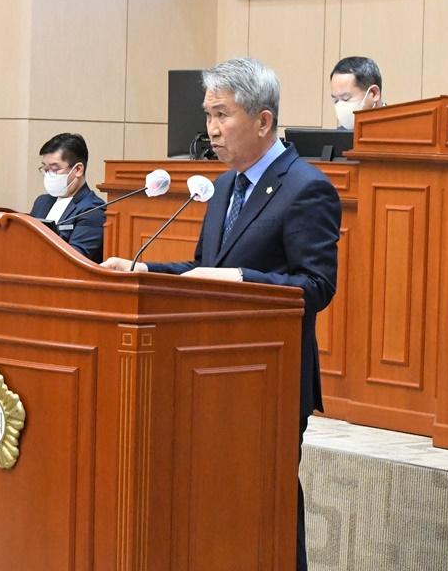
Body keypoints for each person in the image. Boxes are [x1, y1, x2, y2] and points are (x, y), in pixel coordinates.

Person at [101, 57, 341, 571]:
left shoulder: (306, 187)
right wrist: (142, 270)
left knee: (268, 500)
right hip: (210, 370)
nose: (210, 129)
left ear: (263, 121)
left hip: (269, 376)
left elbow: (316, 287)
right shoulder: (225, 185)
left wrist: (241, 281)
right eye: (208, 115)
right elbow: (203, 268)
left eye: (221, 115)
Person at [30, 133, 106, 263]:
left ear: (78, 170)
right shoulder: (42, 202)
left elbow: (75, 260)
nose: (48, 175)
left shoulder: (93, 209)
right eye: (45, 169)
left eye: (54, 169)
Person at [329, 56, 385, 129]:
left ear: (374, 93)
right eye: (336, 100)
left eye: (345, 98)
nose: (340, 106)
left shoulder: (399, 129)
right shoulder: (337, 136)